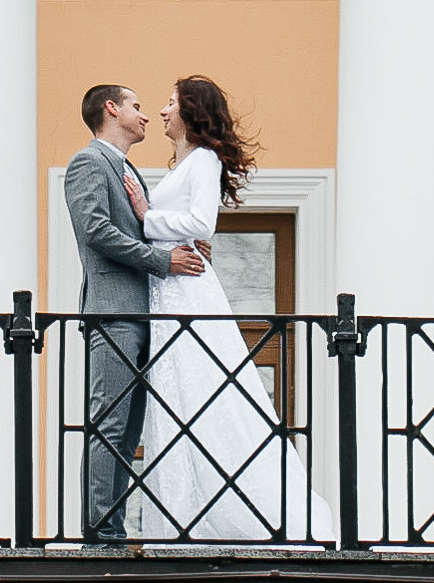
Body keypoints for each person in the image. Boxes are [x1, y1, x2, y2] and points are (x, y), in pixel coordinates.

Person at [139, 75, 330, 542]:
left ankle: (235, 512)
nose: (162, 112)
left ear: (190, 111)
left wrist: (145, 216)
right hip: (170, 285)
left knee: (200, 388)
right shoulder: (184, 162)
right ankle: (186, 513)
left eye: (169, 103)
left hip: (187, 289)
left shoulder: (202, 159)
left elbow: (202, 222)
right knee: (177, 395)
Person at [64, 83, 205, 544]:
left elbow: (140, 229)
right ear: (111, 108)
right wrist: (162, 260)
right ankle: (101, 533)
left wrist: (178, 243)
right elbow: (97, 231)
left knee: (128, 430)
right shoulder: (89, 162)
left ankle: (112, 526)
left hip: (145, 315)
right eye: (136, 106)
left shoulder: (126, 169)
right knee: (110, 422)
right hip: (114, 313)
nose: (145, 116)